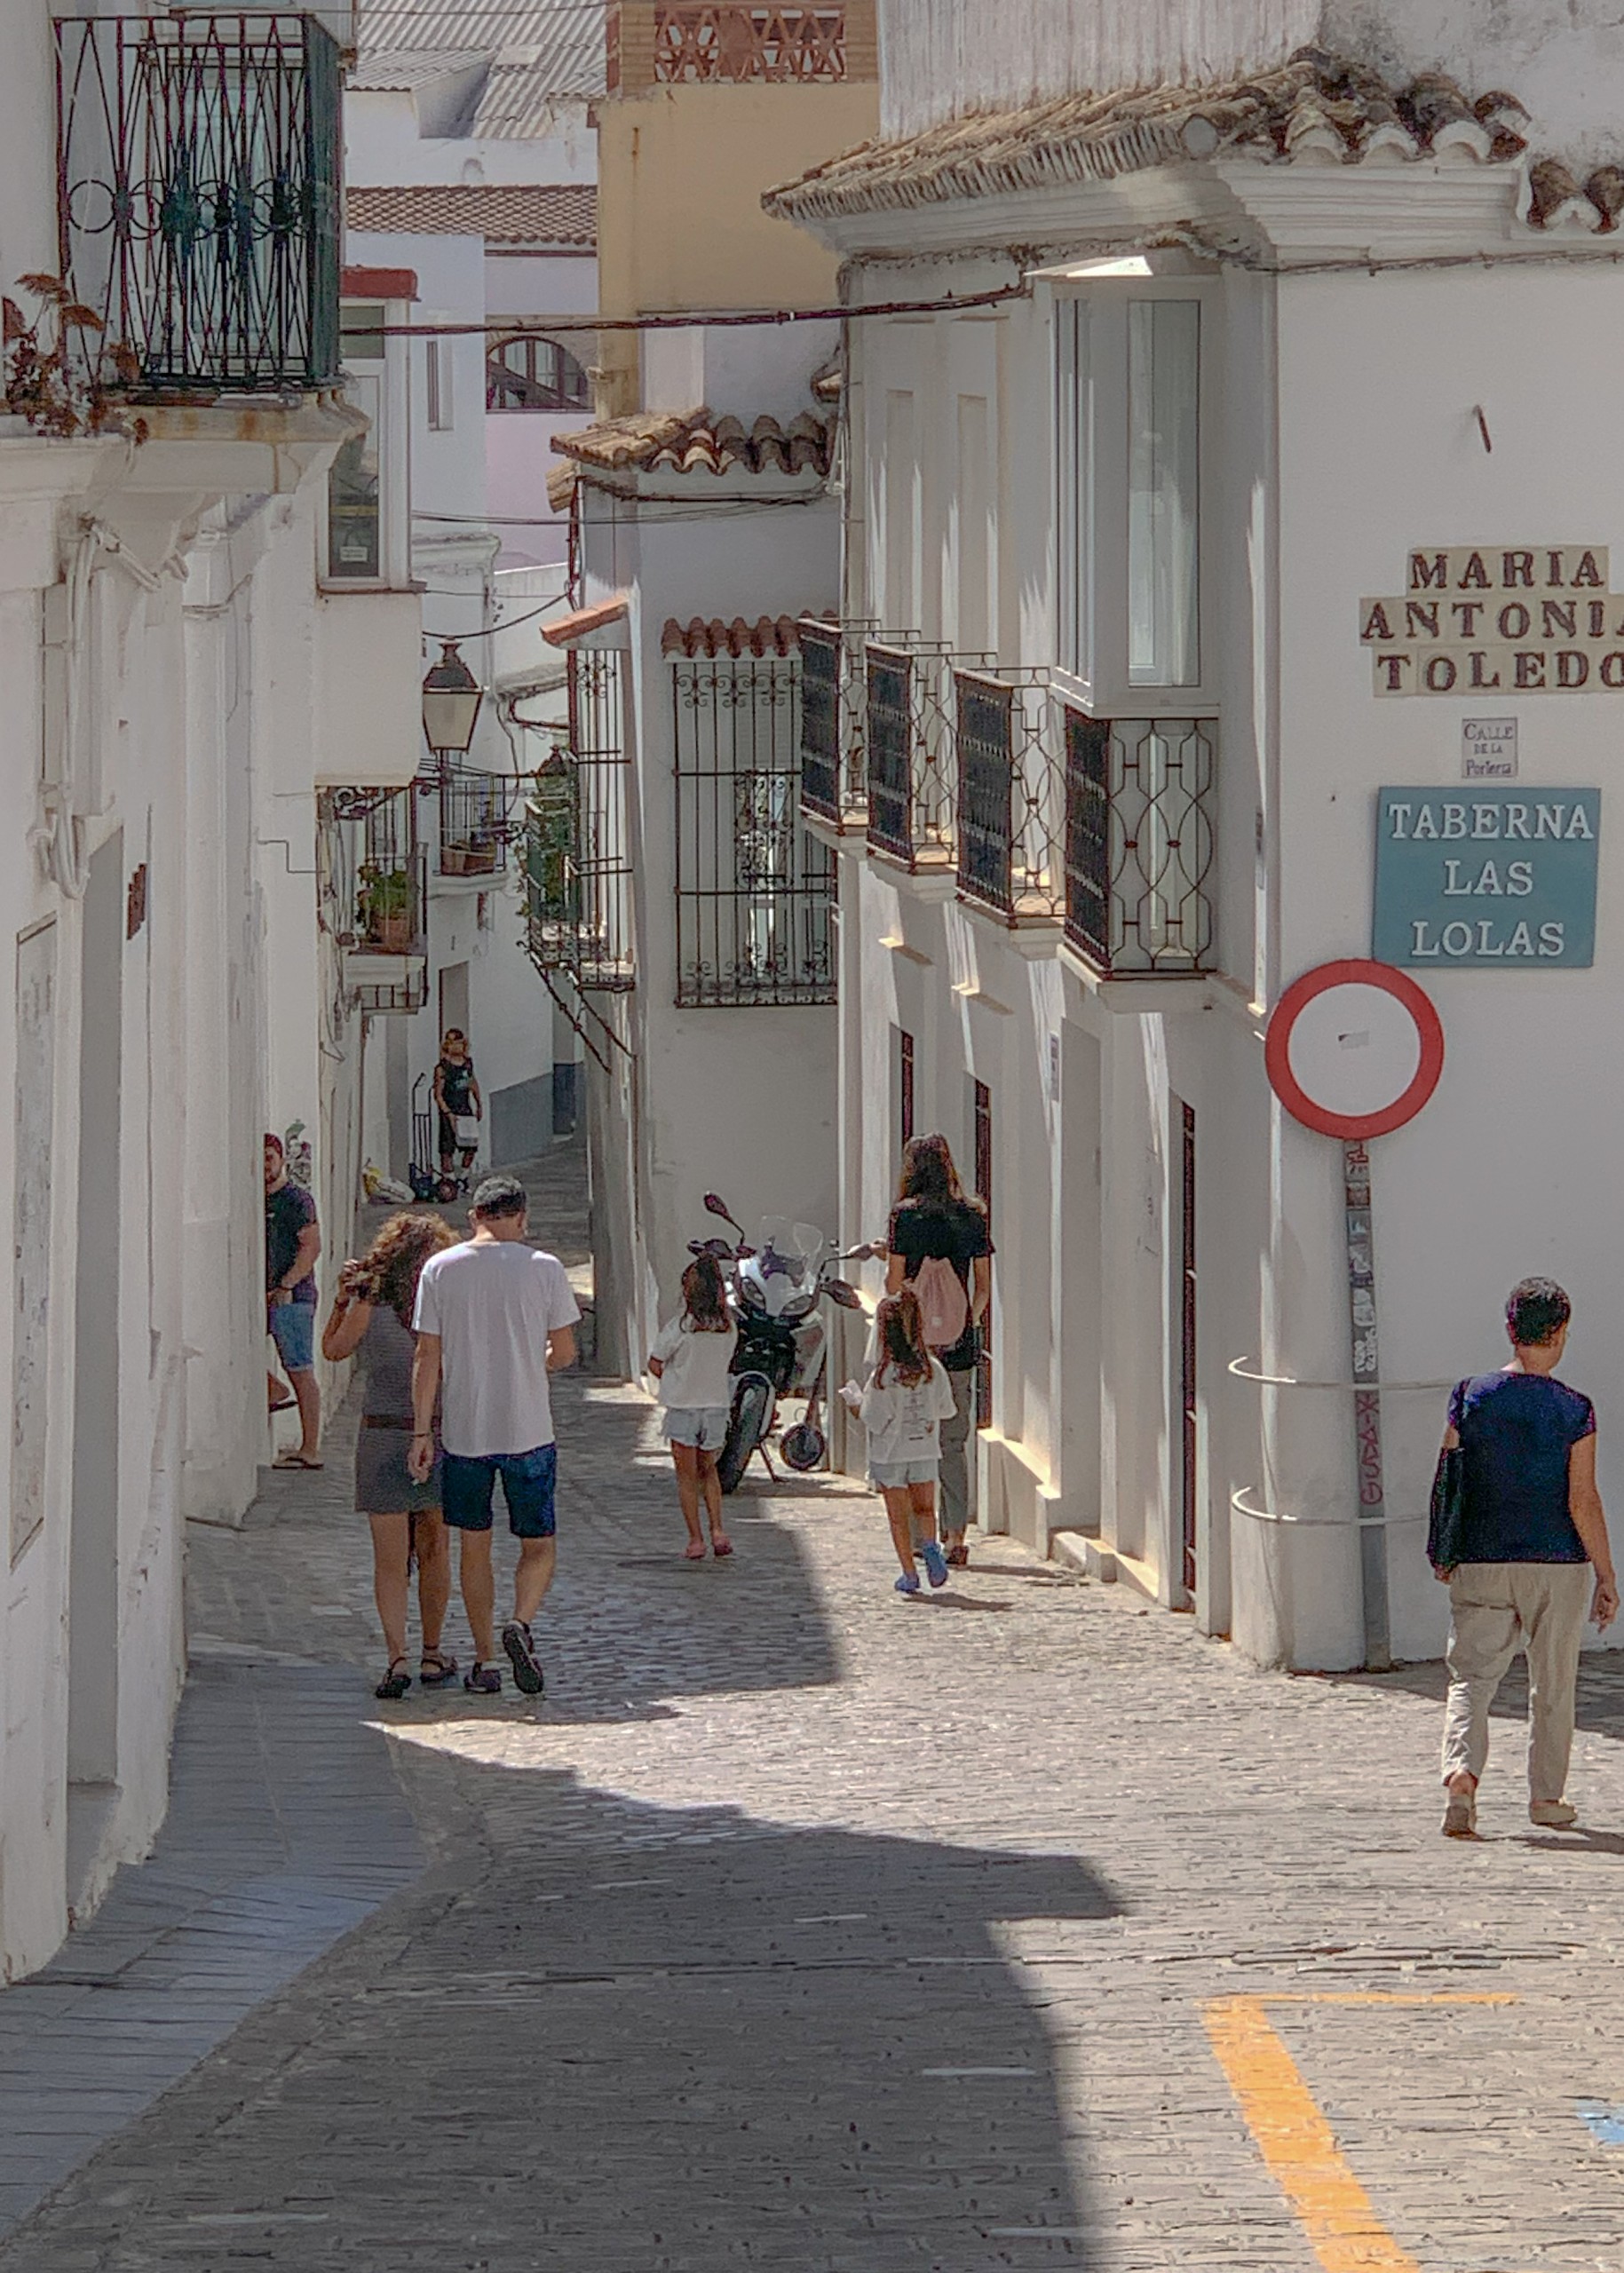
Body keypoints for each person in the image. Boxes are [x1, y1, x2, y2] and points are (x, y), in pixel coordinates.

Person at [1434, 1276, 1619, 1838]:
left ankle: (1462, 1774)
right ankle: (1546, 1797)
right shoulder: (1574, 1410)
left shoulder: (1470, 1396)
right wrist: (1607, 1575)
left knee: (1471, 1677)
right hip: (1557, 1562)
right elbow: (1581, 1499)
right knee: (1553, 1682)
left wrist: (1443, 1547)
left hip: (1482, 1557)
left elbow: (1448, 1477)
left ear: (1510, 1330)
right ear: (1560, 1332)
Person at [408, 1174, 580, 1695]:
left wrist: (421, 1433)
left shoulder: (440, 1269)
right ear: (522, 1219)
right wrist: (536, 1365)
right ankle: (520, 1622)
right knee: (539, 1545)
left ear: (474, 1217)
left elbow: (427, 1357)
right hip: (528, 1428)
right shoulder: (545, 1269)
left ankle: (485, 1660)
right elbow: (566, 1352)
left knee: (473, 1547)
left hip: (465, 1432)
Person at [322, 1211, 460, 1700]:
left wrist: (341, 1300)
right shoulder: (449, 1300)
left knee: (388, 1562)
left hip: (381, 1436)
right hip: (441, 1435)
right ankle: (432, 1651)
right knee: (435, 1549)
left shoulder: (369, 1299)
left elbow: (334, 1349)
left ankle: (396, 1657)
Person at [885, 1133, 992, 1566]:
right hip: (959, 1346)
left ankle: (916, 1536)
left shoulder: (904, 1218)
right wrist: (970, 1320)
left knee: (911, 1438)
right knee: (953, 1440)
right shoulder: (972, 1216)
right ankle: (956, 1535)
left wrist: (901, 1332)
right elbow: (983, 1286)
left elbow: (895, 1284)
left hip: (913, 1348)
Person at [860, 1290, 955, 1596]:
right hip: (925, 1448)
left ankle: (909, 1573)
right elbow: (946, 1409)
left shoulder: (883, 1377)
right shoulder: (932, 1370)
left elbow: (874, 1418)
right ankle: (930, 1547)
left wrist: (854, 1403)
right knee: (926, 1509)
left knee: (898, 1517)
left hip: (891, 1454)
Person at [649, 1253, 737, 1562]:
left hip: (684, 1406)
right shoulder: (728, 1328)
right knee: (708, 1470)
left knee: (686, 1477)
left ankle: (696, 1539)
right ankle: (718, 1530)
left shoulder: (680, 1328)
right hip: (715, 1405)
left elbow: (655, 1363)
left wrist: (674, 1377)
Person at [265, 1132, 322, 1469]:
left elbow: (311, 1247)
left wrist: (287, 1284)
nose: (265, 1166)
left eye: (270, 1158)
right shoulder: (258, 1200)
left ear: (281, 1159)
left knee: (300, 1370)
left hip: (292, 1298)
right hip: (265, 1295)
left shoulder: (297, 1200)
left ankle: (310, 1448)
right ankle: (272, 1390)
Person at [432, 1028, 482, 1174]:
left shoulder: (467, 1064)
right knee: (447, 1148)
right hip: (450, 1110)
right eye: (451, 1043)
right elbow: (438, 1094)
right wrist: (447, 1112)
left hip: (465, 1108)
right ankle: (449, 1179)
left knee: (471, 1146)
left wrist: (479, 1104)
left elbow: (472, 1083)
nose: (455, 1046)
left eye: (458, 1043)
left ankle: (464, 1176)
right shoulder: (443, 1068)